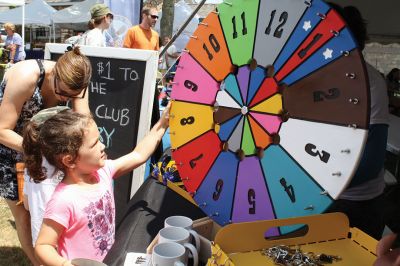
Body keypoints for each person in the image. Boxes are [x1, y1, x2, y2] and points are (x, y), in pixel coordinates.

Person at [22, 103, 170, 265]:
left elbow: (138, 155)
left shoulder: (103, 172)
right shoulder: (63, 200)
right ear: (69, 160)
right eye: (94, 144)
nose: (103, 146)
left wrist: (162, 124)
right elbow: (43, 245)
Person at [0, 46, 91, 265]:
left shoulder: (76, 84)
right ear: (55, 75)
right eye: (62, 94)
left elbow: (85, 124)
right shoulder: (26, 77)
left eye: (71, 96)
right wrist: (41, 150)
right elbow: (2, 130)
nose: (65, 99)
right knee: (24, 215)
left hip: (45, 151)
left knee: (46, 213)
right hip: (11, 146)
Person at [325, 4, 389, 240]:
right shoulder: (321, 78)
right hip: (324, 198)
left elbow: (371, 163)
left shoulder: (371, 83)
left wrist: (318, 182)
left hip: (358, 204)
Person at [23, 106, 69, 247]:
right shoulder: (65, 168)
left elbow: (27, 205)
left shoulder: (31, 166)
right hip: (62, 242)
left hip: (41, 241)